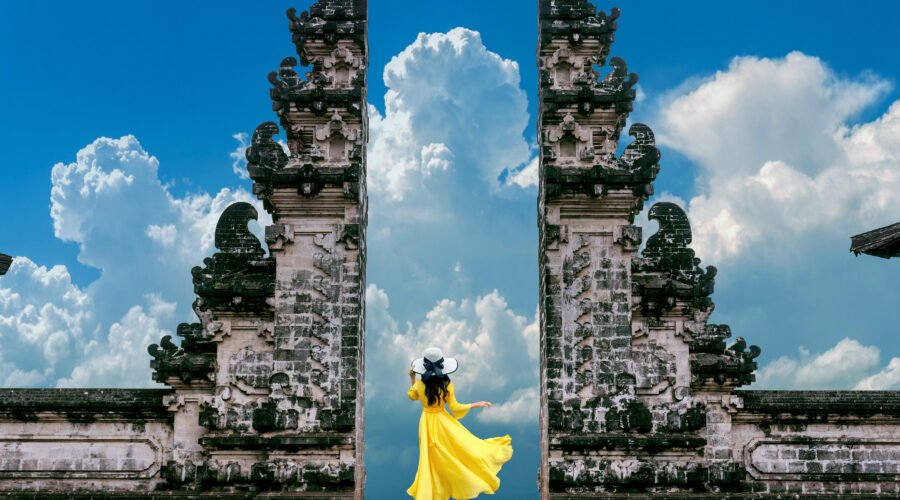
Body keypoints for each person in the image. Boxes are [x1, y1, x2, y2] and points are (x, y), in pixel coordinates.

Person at [406, 347, 513, 500]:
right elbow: (455, 408)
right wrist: (475, 404)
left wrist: (412, 377)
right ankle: (455, 484)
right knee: (459, 452)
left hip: (427, 423)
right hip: (443, 422)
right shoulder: (447, 384)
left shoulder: (420, 384)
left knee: (430, 459)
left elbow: (412, 396)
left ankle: (432, 493)